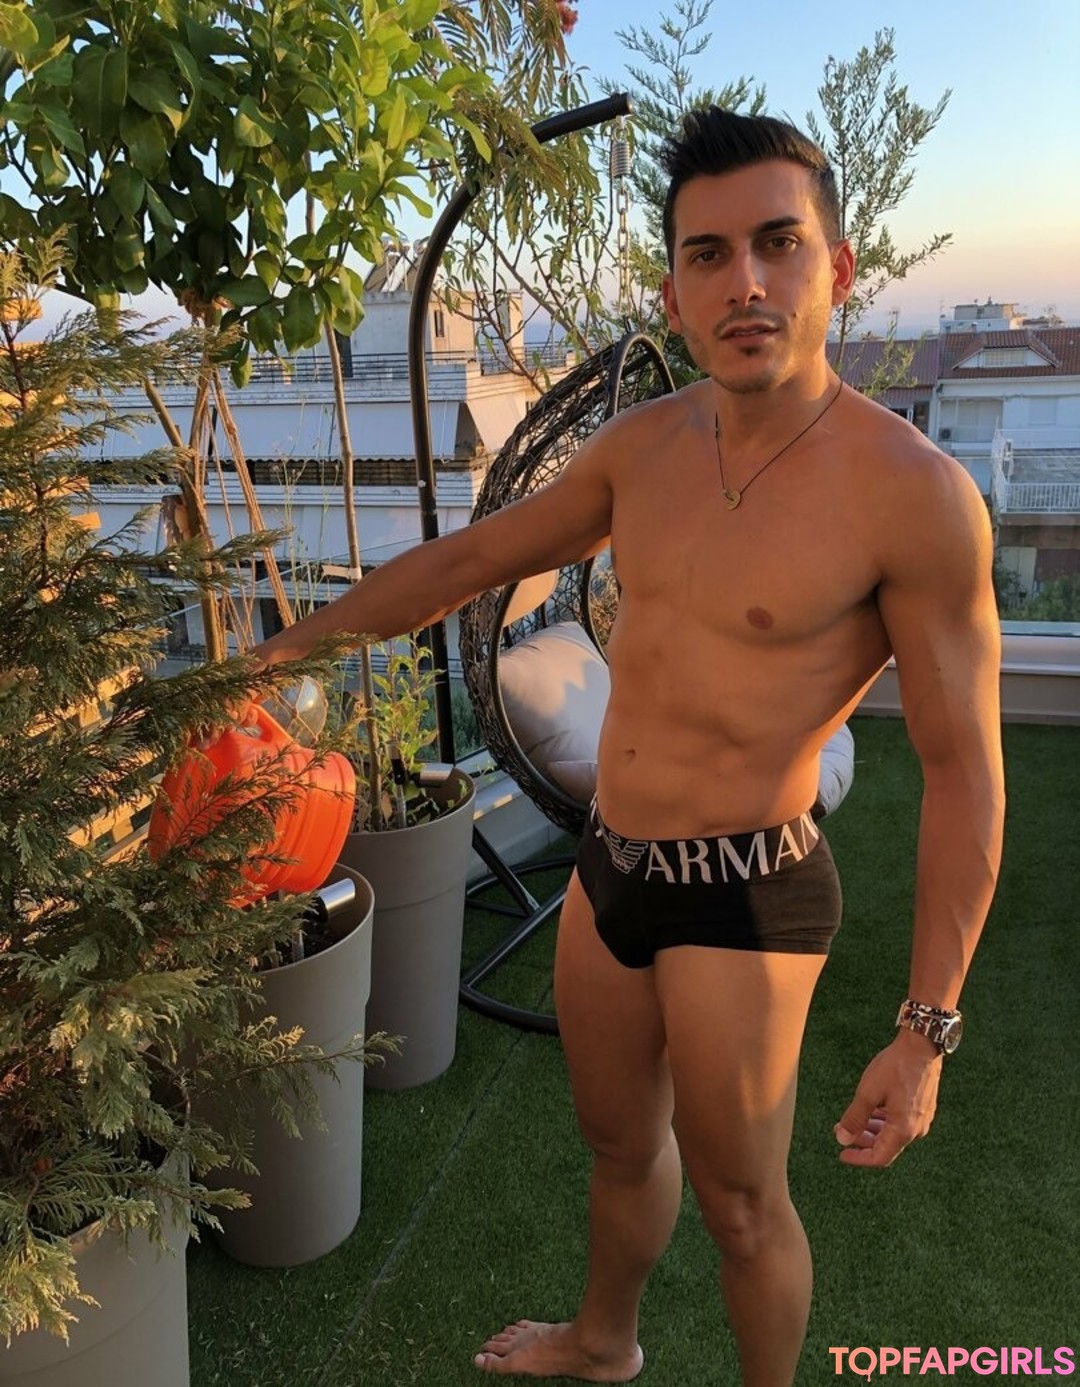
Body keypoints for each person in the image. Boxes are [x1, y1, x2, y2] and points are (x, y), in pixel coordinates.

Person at [253, 107, 1005, 1385]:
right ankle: (605, 1340)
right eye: (708, 254)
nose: (745, 281)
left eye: (777, 243)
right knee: (614, 1146)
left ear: (836, 266)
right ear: (673, 293)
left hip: (746, 891)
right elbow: (468, 562)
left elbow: (966, 775)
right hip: (608, 869)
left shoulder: (914, 495)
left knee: (743, 1204)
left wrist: (926, 1029)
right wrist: (277, 656)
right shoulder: (643, 448)